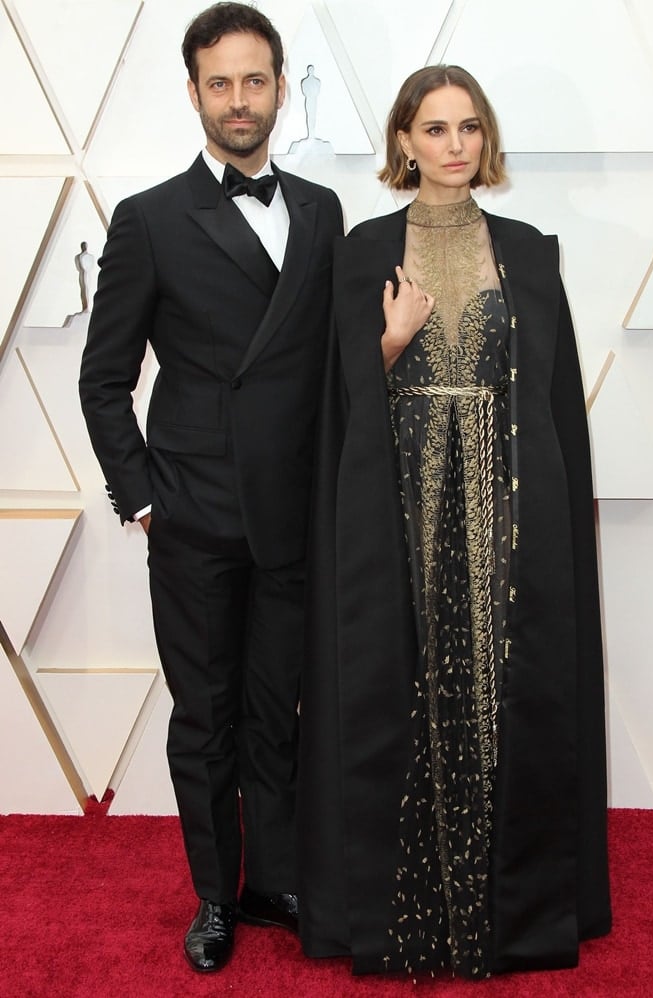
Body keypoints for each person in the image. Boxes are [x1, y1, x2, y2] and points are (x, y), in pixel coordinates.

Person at [298, 65, 611, 979]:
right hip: (398, 508)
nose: (455, 146)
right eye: (433, 130)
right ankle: (407, 906)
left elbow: (553, 407)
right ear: (403, 142)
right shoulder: (362, 253)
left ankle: (508, 904)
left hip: (508, 509)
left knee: (499, 682)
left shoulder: (529, 251)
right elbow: (334, 401)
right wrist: (387, 346)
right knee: (406, 682)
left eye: (468, 128)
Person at [79, 1, 343, 975]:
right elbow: (103, 376)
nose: (239, 99)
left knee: (281, 711)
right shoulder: (149, 218)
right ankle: (212, 894)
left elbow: (322, 364)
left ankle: (272, 878)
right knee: (207, 717)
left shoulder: (319, 209)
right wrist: (144, 495)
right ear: (194, 93)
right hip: (194, 515)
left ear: (279, 86)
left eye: (255, 79)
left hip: (291, 514)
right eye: (220, 82)